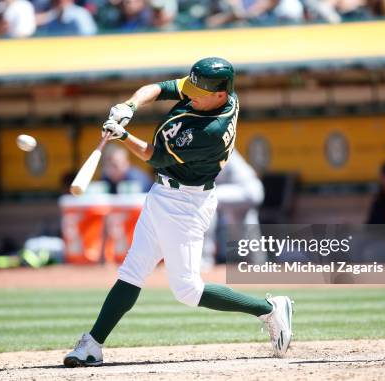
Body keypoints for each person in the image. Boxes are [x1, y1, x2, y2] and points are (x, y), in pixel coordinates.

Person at [63, 57, 293, 367]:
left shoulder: (209, 131)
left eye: (199, 91)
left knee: (187, 289)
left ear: (220, 95)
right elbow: (157, 89)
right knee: (133, 271)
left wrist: (122, 136)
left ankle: (268, 309)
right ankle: (93, 343)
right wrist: (129, 105)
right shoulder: (221, 94)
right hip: (162, 194)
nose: (190, 94)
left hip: (186, 205)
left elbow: (153, 156)